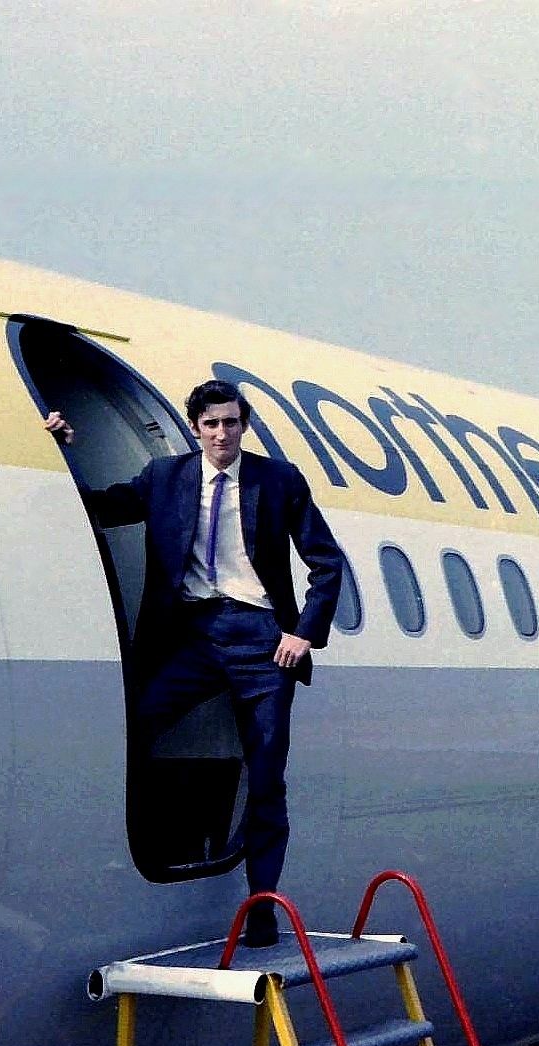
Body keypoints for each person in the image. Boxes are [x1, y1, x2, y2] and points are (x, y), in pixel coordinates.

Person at [44, 381, 344, 947]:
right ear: (196, 427)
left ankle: (261, 906)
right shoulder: (165, 478)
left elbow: (327, 564)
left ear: (243, 424)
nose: (222, 434)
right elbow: (105, 508)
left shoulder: (277, 480)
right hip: (192, 635)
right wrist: (64, 448)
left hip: (260, 637)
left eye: (231, 423)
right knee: (139, 723)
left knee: (267, 775)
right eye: (211, 425)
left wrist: (304, 634)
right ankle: (137, 850)